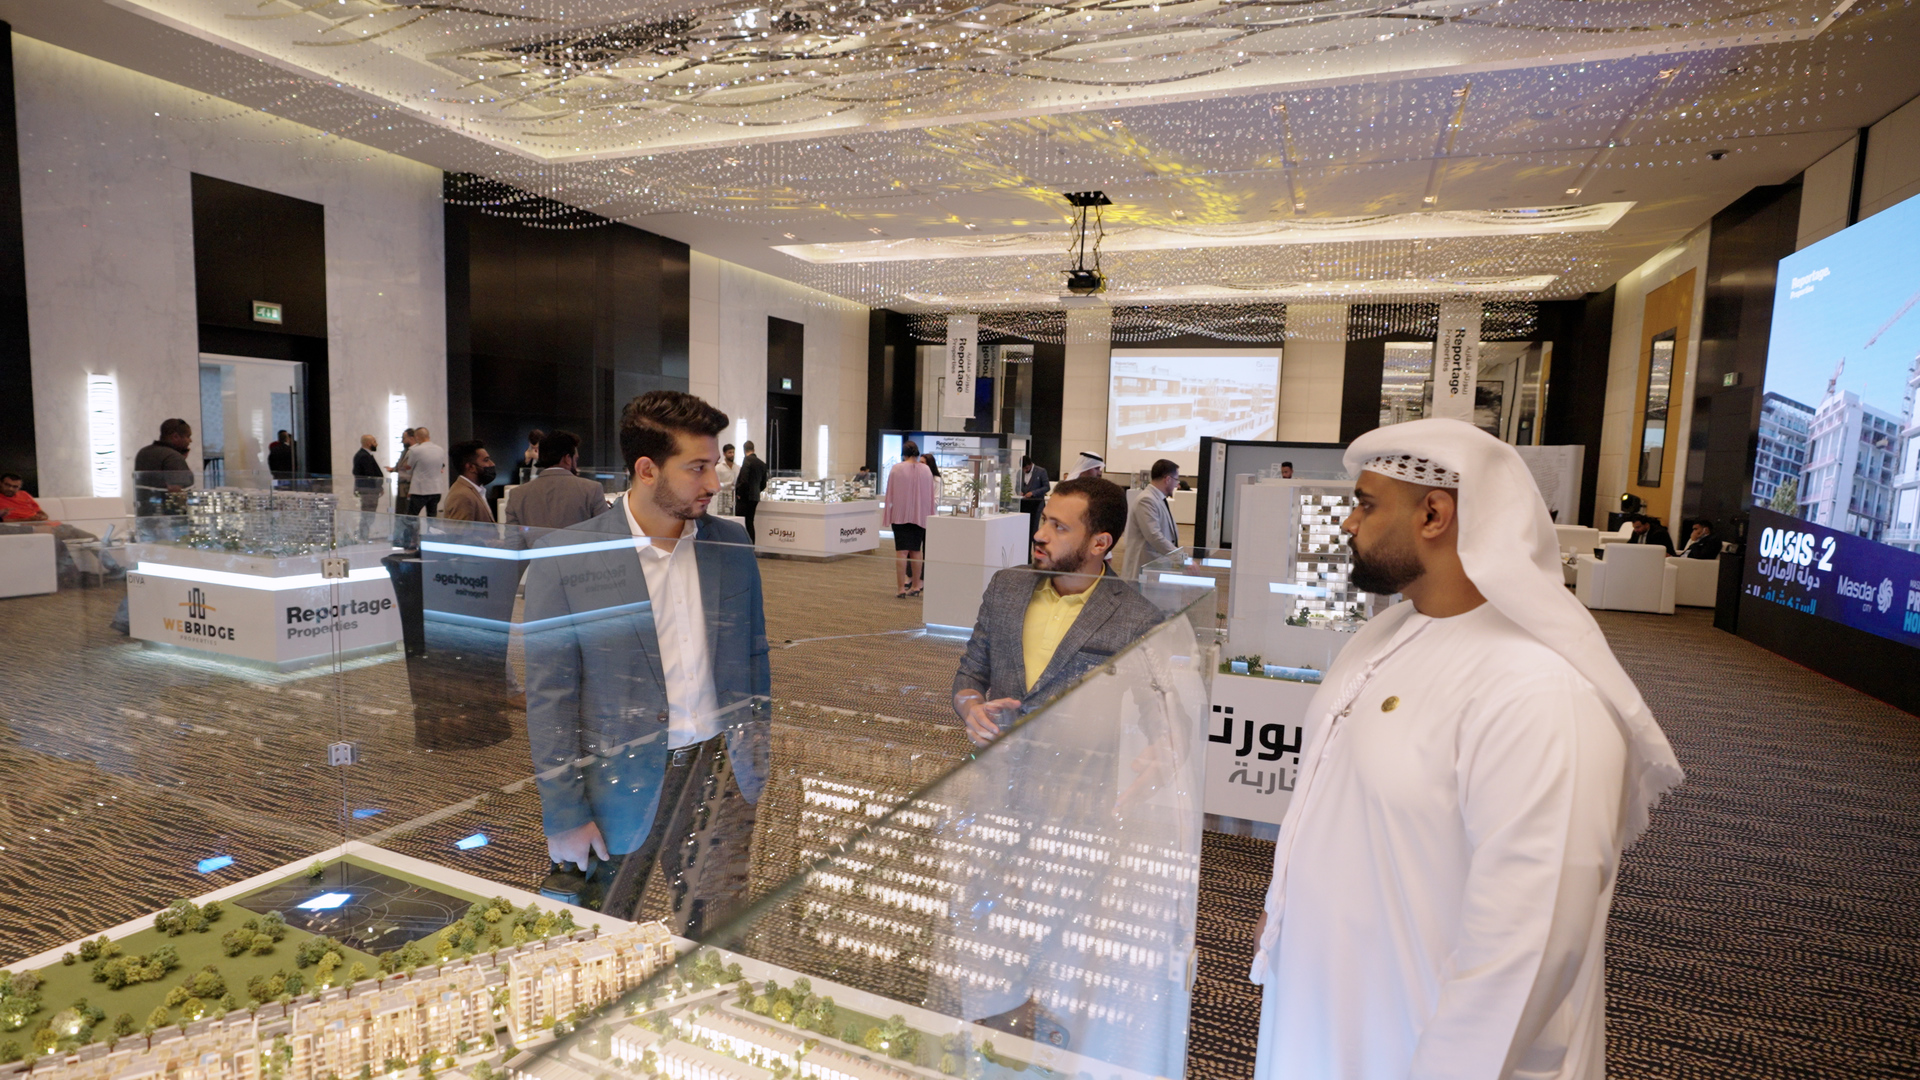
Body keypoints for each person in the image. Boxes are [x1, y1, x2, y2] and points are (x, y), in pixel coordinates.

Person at [1248, 418, 1683, 1080]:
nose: (1349, 524)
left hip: (1422, 1043)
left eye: (1366, 505)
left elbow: (1527, 949)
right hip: (1328, 1007)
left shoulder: (1540, 691)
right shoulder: (1385, 635)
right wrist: (1284, 910)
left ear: (1434, 514)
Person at [523, 390, 769, 931]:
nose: (714, 482)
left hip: (718, 772)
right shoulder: (565, 558)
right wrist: (564, 814)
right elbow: (550, 699)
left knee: (720, 933)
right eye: (697, 467)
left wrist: (754, 755)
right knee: (603, 936)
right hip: (615, 782)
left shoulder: (731, 544)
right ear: (647, 469)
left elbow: (754, 653)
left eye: (714, 464)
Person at [951, 476, 1163, 748]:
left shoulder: (1136, 617)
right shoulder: (1006, 586)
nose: (1039, 535)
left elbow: (1160, 708)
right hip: (1000, 761)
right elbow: (972, 672)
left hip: (1077, 769)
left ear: (1099, 544)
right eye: (1044, 520)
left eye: (1059, 527)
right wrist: (972, 708)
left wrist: (1161, 747)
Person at [506, 430, 608, 530]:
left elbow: (512, 539)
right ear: (567, 459)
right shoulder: (592, 490)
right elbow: (606, 532)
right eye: (576, 459)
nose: (576, 465)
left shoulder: (516, 495)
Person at [884, 441, 936, 598]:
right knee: (916, 551)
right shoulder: (926, 470)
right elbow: (930, 495)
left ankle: (901, 588)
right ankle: (916, 586)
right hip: (920, 515)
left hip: (900, 515)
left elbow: (890, 492)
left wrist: (888, 513)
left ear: (904, 453)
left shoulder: (896, 468)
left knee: (901, 552)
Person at [1120, 458, 1180, 582]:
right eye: (1176, 480)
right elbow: (1154, 536)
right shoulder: (1146, 500)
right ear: (1168, 479)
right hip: (1144, 568)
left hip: (1154, 568)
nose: (1177, 484)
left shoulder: (1157, 498)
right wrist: (1180, 557)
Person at [132, 418, 195, 518]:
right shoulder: (172, 457)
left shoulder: (143, 452)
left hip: (145, 516)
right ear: (175, 436)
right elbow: (176, 492)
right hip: (169, 519)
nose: (190, 441)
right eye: (188, 436)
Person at [440, 440, 496, 523]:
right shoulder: (462, 496)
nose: (492, 464)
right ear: (470, 467)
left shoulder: (472, 491)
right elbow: (461, 531)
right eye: (486, 460)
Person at [406, 427, 449, 517]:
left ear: (417, 437)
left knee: (412, 517)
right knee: (432, 517)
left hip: (419, 490)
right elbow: (440, 467)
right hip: (436, 489)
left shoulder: (415, 450)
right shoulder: (440, 449)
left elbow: (409, 470)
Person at [734, 439, 768, 542]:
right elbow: (763, 484)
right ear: (754, 449)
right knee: (750, 522)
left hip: (745, 497)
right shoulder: (762, 464)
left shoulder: (747, 461)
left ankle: (742, 545)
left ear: (744, 450)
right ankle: (751, 545)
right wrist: (756, 491)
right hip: (755, 497)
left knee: (740, 522)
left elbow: (744, 480)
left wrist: (739, 493)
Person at [1018, 454, 1050, 540]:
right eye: (1023, 469)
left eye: (1026, 468)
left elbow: (1047, 487)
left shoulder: (1041, 471)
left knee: (1034, 528)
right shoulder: (1020, 473)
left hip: (1037, 503)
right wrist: (1019, 491)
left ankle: (1034, 544)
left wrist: (1033, 493)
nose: (1025, 470)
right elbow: (1017, 486)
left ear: (1030, 464)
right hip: (1024, 504)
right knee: (1024, 528)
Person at [352, 435, 384, 514]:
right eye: (374, 442)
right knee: (369, 513)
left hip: (368, 489)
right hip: (369, 490)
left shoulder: (364, 454)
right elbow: (370, 474)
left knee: (368, 513)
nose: (376, 444)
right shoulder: (364, 456)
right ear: (368, 443)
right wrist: (378, 486)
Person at [393, 427, 417, 505]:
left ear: (411, 438)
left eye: (404, 438)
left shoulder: (416, 451)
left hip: (410, 486)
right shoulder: (405, 451)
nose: (402, 441)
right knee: (401, 507)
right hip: (402, 485)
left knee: (408, 508)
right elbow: (400, 465)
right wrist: (394, 469)